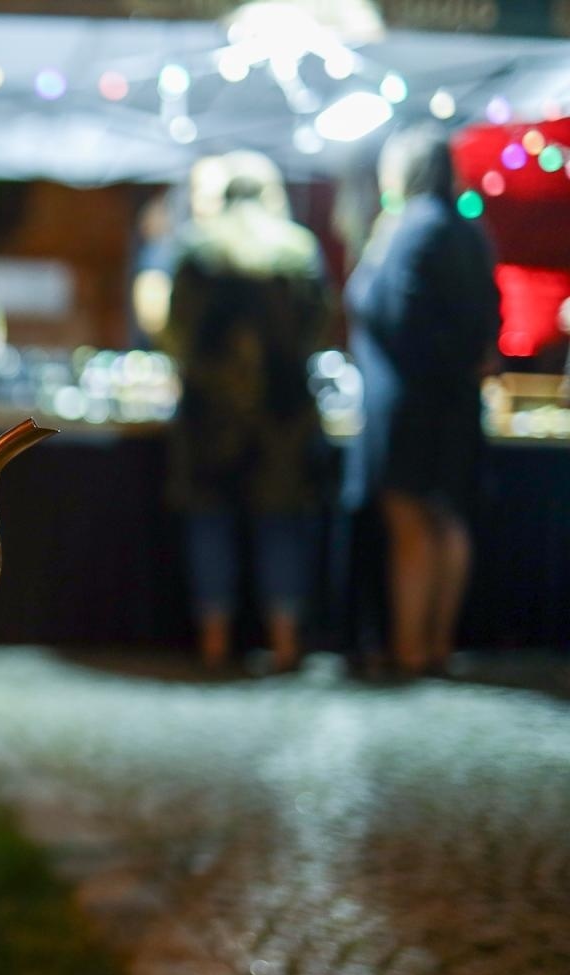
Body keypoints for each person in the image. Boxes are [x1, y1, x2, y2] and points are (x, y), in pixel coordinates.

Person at [163, 151, 331, 671]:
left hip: (209, 417)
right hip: (283, 416)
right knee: (281, 525)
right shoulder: (298, 249)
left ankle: (215, 642)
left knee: (210, 524)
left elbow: (178, 333)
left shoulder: (197, 247)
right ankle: (284, 642)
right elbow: (318, 329)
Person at [343, 126, 500, 675]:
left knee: (409, 518)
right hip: (457, 399)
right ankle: (437, 643)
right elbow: (488, 320)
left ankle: (410, 646)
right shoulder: (469, 230)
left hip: (406, 403)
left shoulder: (408, 230)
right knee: (448, 519)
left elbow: (396, 318)